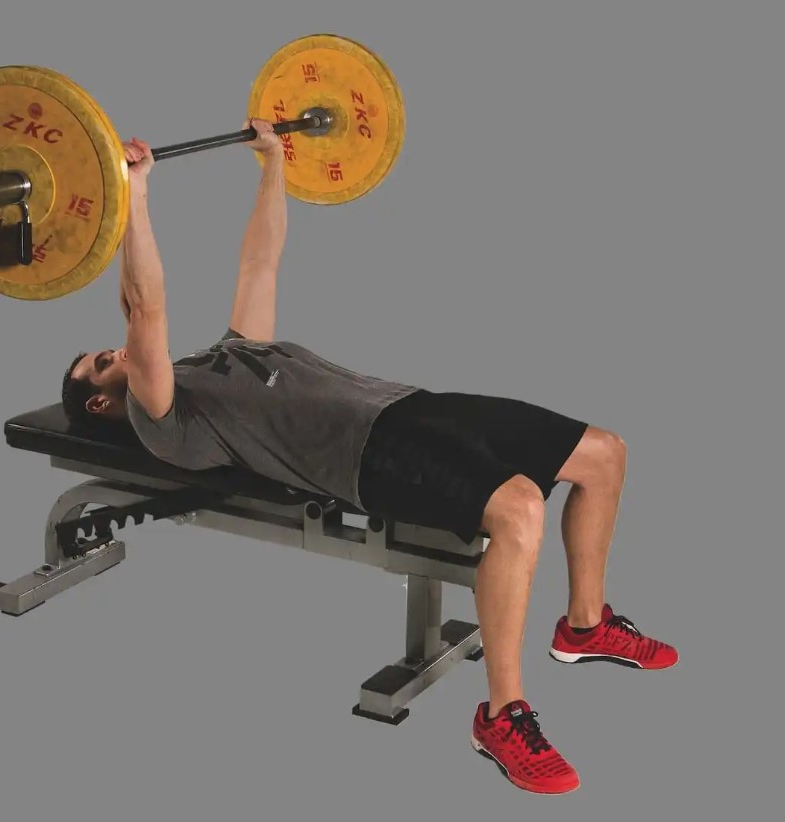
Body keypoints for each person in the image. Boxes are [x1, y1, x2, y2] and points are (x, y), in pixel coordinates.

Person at [60, 118, 678, 795]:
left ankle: (585, 626)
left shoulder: (225, 356)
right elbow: (144, 309)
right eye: (100, 362)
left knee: (603, 454)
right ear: (99, 402)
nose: (113, 352)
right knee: (519, 508)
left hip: (410, 405)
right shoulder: (165, 420)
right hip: (364, 455)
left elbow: (259, 262)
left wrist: (271, 164)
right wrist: (135, 196)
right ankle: (501, 715)